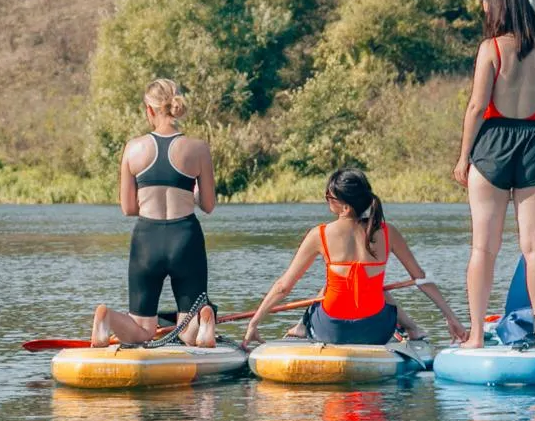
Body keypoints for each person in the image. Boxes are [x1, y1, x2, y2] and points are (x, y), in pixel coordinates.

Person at [454, 0, 535, 348]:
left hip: (492, 143)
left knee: (483, 248)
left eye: (487, 8)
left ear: (499, 10)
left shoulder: (490, 48)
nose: (484, 14)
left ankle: (475, 335)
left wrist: (463, 157)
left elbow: (476, 106)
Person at [241, 169, 468, 348]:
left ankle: (302, 327)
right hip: (377, 330)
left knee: (335, 282)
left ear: (345, 206)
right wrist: (451, 318)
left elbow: (283, 287)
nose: (327, 201)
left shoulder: (319, 234)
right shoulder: (388, 233)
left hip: (332, 330)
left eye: (328, 197)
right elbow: (420, 279)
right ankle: (413, 329)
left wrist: (254, 323)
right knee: (371, 283)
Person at [89, 80, 219, 348]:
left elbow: (128, 208)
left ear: (149, 109)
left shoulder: (133, 148)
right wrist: (189, 195)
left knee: (143, 330)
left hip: (147, 239)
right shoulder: (197, 148)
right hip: (185, 238)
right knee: (186, 331)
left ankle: (107, 317)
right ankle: (204, 318)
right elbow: (208, 204)